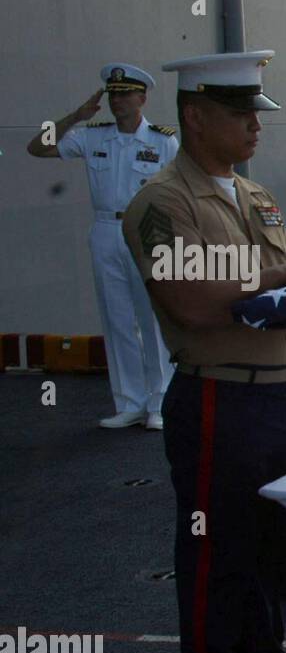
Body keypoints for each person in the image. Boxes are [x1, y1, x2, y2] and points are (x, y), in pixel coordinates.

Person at [122, 50, 286, 653]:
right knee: (220, 563)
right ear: (195, 117)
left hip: (279, 397)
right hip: (219, 398)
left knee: (269, 560)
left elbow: (277, 283)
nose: (256, 125)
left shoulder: (255, 197)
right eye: (241, 113)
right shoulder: (164, 203)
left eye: (258, 112)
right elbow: (189, 296)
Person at [27, 64, 177, 429]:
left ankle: (159, 403)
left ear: (142, 98)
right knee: (117, 318)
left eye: (125, 94)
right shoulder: (92, 136)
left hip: (147, 229)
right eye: (113, 94)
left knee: (152, 319)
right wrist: (76, 115)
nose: (117, 100)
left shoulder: (163, 140)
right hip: (106, 229)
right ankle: (129, 402)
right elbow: (38, 147)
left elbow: (180, 189)